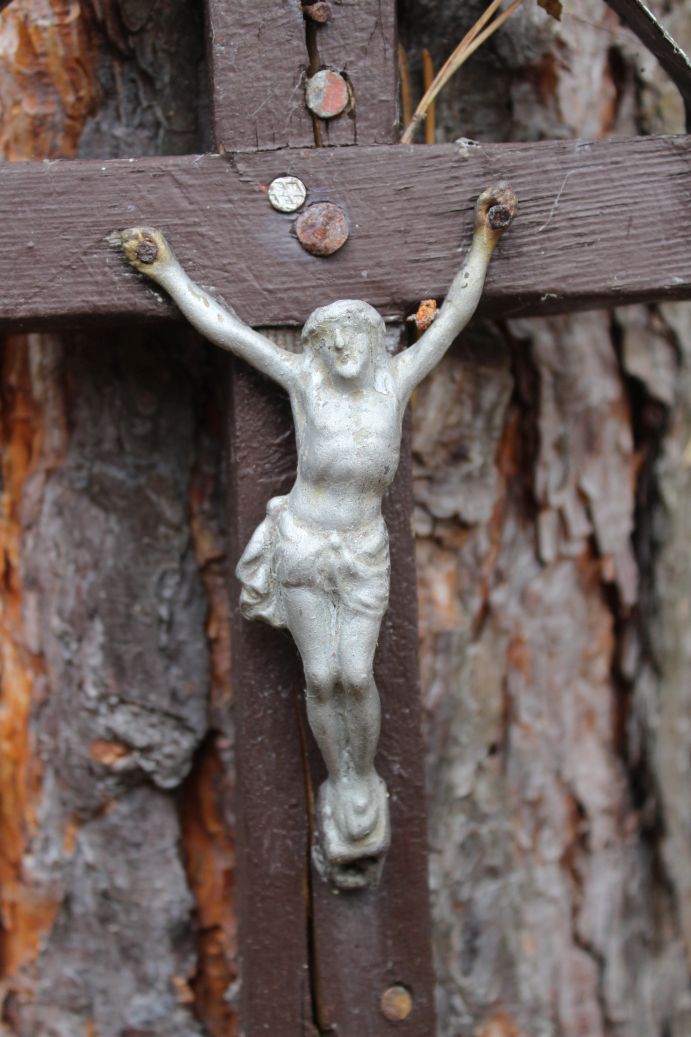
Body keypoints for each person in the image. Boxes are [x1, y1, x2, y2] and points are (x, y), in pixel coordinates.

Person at [119, 182, 516, 888]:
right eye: (328, 340)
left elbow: (454, 315)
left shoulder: (396, 380)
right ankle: (339, 778)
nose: (341, 349)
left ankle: (359, 778)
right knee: (320, 675)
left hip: (361, 550)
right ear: (316, 347)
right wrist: (168, 271)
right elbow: (229, 331)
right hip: (303, 543)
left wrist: (485, 239)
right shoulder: (306, 383)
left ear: (371, 339)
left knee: (354, 674)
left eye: (351, 335)